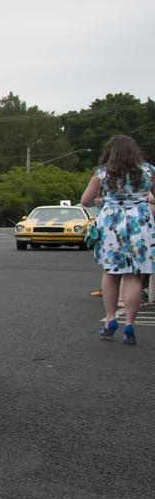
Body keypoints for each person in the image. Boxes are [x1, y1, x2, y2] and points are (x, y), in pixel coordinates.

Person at [80, 134, 155, 345]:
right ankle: (130, 323)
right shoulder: (149, 170)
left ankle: (110, 320)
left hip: (112, 223)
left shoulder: (103, 173)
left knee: (111, 273)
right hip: (140, 222)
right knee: (134, 274)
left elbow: (85, 201)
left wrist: (105, 197)